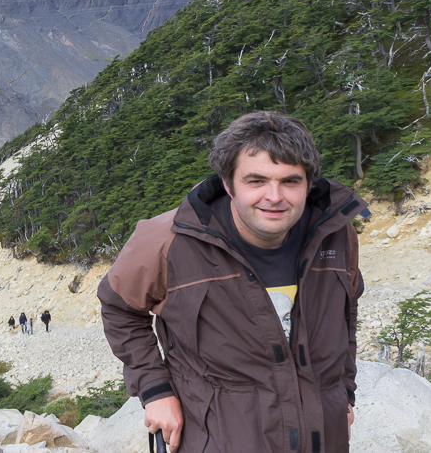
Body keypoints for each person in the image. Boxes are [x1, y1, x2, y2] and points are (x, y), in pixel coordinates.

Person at [98, 111, 366, 453]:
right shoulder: (168, 241)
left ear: (309, 183)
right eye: (256, 181)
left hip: (322, 437)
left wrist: (344, 390)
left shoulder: (335, 233)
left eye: (290, 181)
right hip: (221, 436)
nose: (274, 196)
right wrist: (155, 389)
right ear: (228, 184)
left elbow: (345, 314)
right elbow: (119, 308)